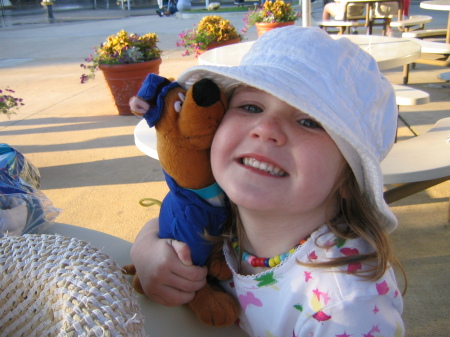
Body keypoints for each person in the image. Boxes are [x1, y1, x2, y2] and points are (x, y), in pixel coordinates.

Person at [130, 27, 405, 336]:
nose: (266, 128)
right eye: (250, 107)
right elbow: (166, 224)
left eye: (308, 122)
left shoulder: (346, 308)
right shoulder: (224, 210)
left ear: (347, 178)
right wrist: (145, 250)